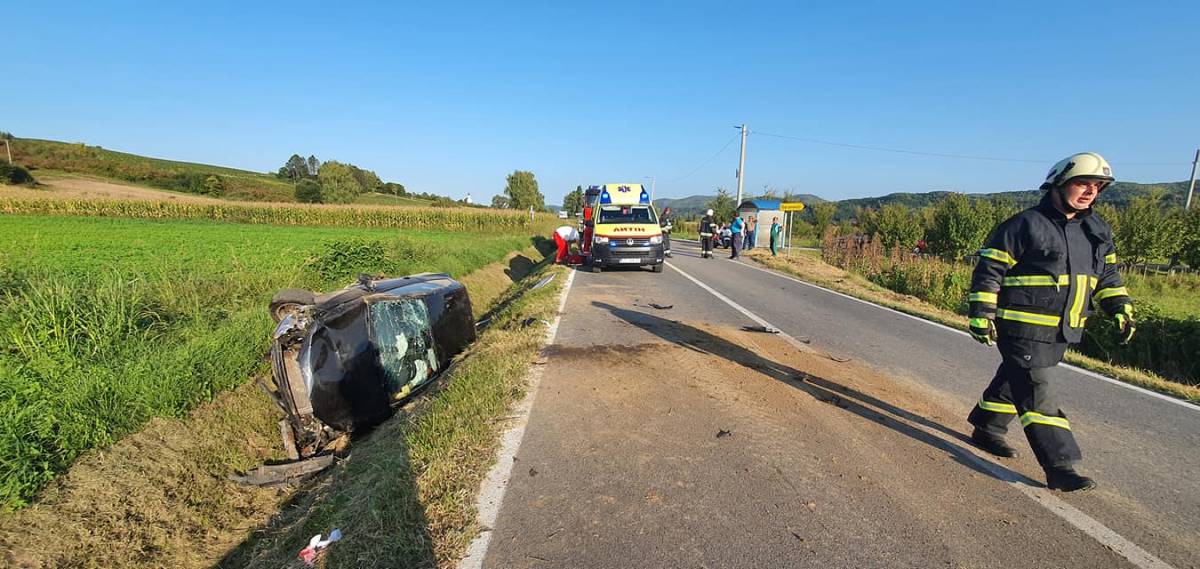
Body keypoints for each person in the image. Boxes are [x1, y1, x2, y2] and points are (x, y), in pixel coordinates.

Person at [965, 152, 1134, 493]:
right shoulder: (1025, 224)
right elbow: (990, 270)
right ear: (1058, 184)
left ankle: (987, 426)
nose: (1090, 191)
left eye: (1097, 186)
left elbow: (1107, 276)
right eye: (1082, 183)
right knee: (1036, 389)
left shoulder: (1097, 231)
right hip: (1021, 327)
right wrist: (981, 313)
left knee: (1014, 378)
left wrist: (1120, 306)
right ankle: (1060, 466)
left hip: (1062, 329)